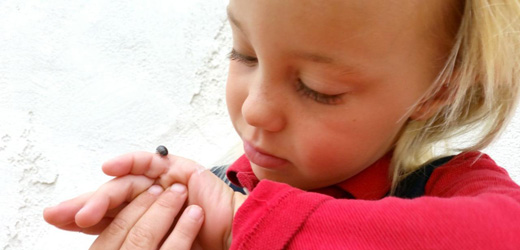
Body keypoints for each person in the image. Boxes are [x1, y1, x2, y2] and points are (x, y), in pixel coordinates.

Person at [44, 0, 520, 249]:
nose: (254, 109)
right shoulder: (205, 202)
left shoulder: (456, 189)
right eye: (243, 53)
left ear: (438, 89)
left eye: (318, 87)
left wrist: (244, 226)